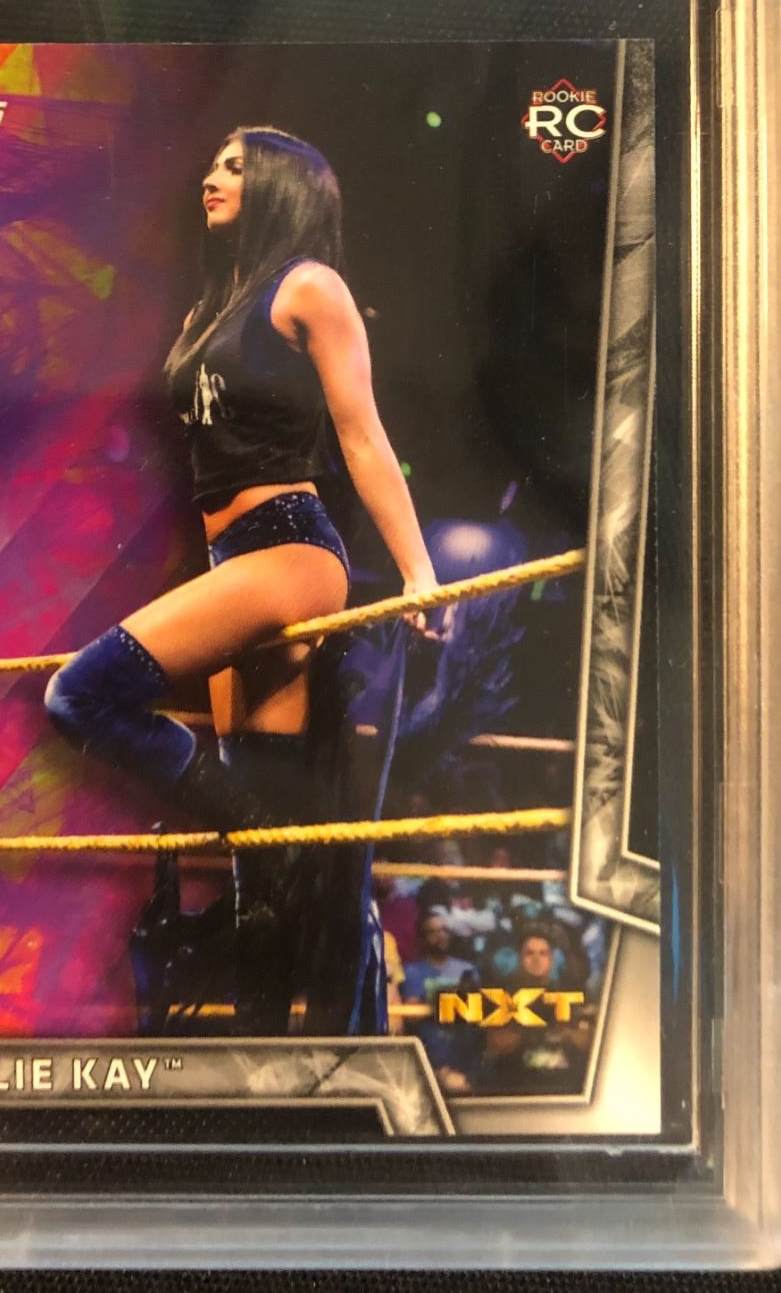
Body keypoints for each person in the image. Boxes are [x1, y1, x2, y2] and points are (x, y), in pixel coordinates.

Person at [44, 126, 439, 1027]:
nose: (211, 176)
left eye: (234, 165)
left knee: (79, 696)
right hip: (233, 557)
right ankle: (267, 1056)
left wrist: (416, 571)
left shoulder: (309, 287)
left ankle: (271, 841)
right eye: (213, 162)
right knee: (257, 875)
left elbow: (362, 435)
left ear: (280, 185)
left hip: (288, 548)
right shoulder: (215, 304)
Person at [400, 907, 481, 1093]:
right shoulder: (412, 972)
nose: (441, 936)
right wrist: (450, 1001)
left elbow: (477, 1014)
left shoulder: (467, 970)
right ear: (423, 937)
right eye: (433, 931)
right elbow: (411, 1015)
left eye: (444, 930)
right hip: (428, 1061)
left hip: (464, 1061)